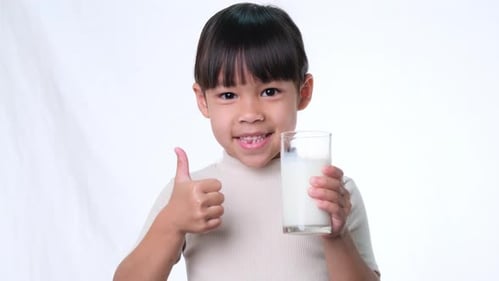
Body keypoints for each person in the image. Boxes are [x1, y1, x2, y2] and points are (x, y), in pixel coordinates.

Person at [113, 2, 380, 281]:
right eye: (228, 95)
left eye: (270, 91)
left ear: (303, 92)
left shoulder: (332, 194)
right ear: (202, 100)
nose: (250, 114)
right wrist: (170, 223)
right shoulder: (189, 195)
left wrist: (337, 236)